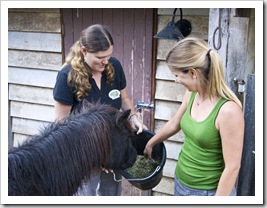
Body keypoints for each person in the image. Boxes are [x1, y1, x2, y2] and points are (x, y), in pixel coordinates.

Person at [53, 24, 147, 196]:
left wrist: (133, 117)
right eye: (100, 57)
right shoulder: (66, 77)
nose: (106, 61)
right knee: (85, 196)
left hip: (113, 146)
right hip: (84, 154)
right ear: (84, 51)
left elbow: (124, 98)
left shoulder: (114, 66)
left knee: (111, 194)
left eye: (109, 55)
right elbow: (61, 125)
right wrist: (97, 155)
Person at [144, 37, 244, 196]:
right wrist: (151, 143)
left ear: (193, 73)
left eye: (177, 75)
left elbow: (232, 167)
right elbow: (174, 124)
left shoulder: (228, 111)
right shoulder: (191, 94)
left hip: (208, 193)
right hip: (181, 183)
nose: (176, 80)